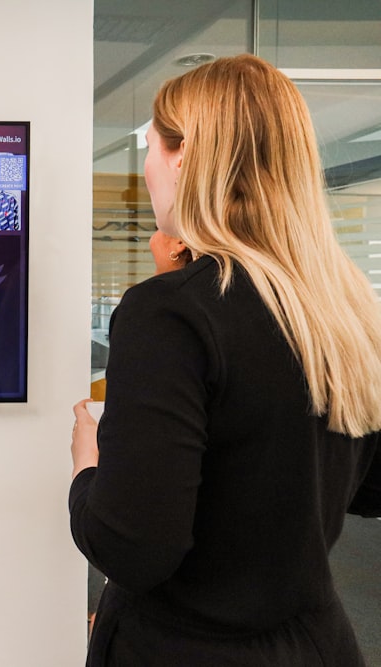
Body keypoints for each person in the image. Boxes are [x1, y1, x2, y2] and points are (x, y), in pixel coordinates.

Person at [68, 54, 381, 666]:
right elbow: (365, 485)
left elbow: (134, 549)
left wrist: (89, 468)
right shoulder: (342, 304)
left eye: (151, 149)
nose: (149, 170)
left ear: (184, 156)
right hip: (318, 645)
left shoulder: (167, 315)